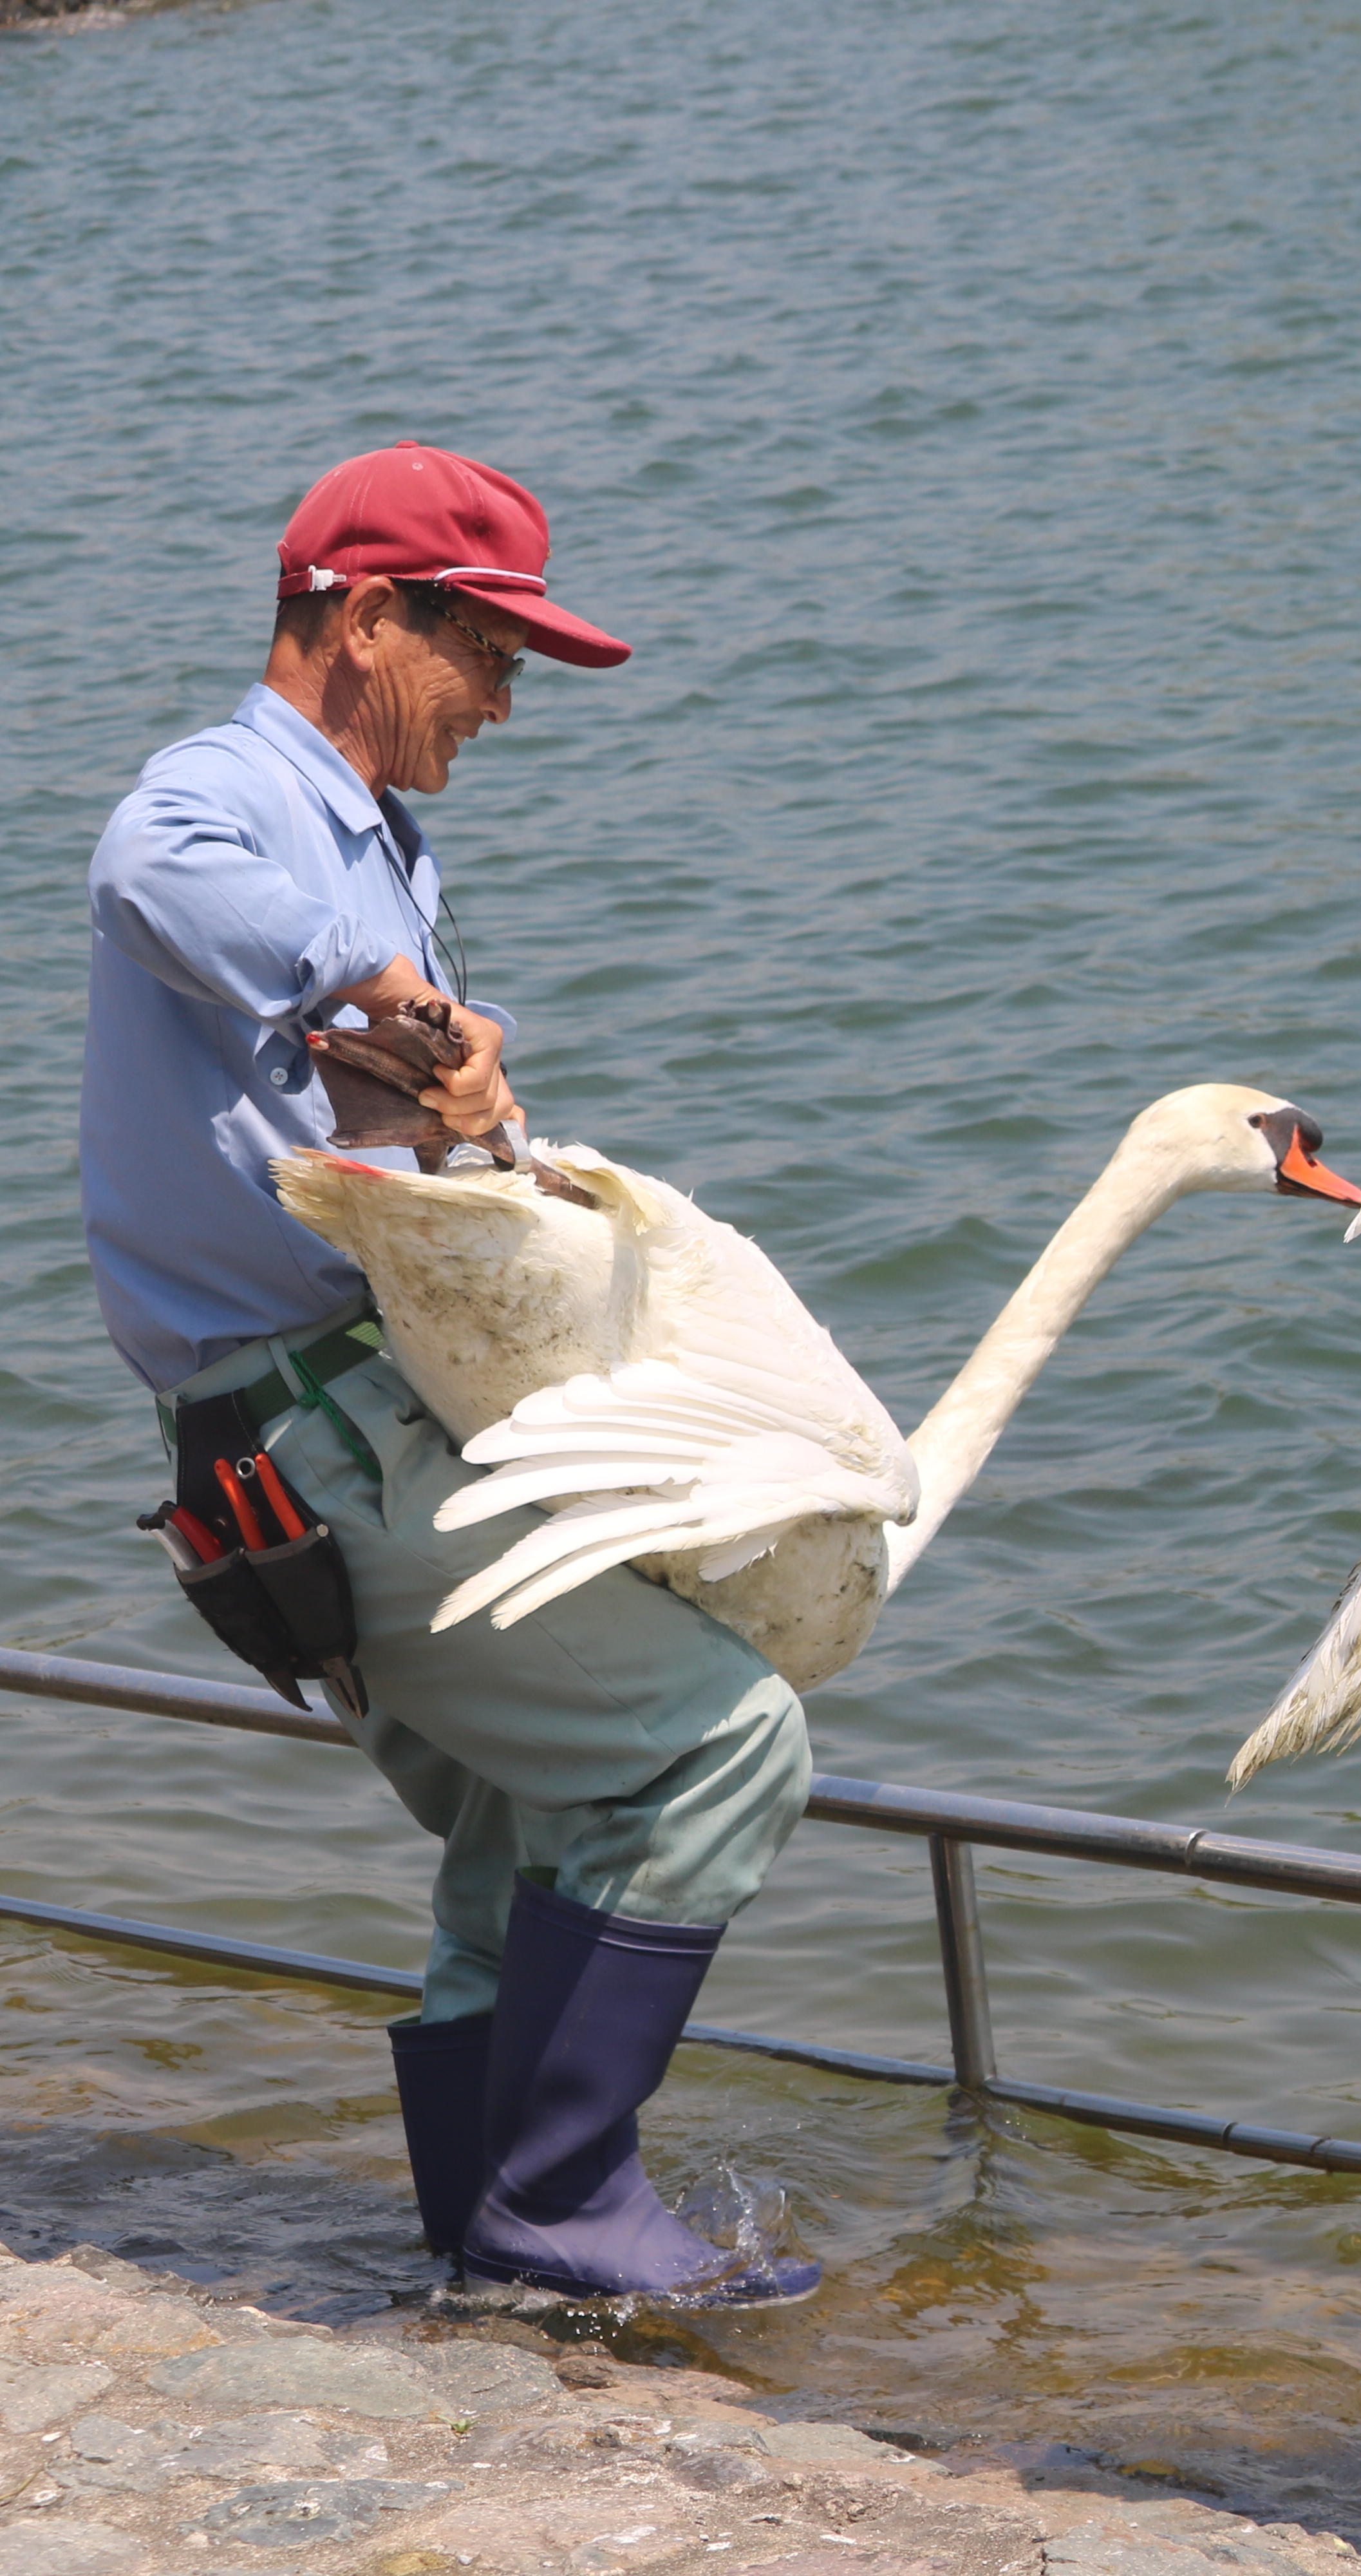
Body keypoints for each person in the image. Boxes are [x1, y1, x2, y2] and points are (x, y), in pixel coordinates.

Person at [77, 442, 818, 2309]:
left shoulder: (376, 826)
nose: (500, 703)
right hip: (313, 1423)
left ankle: (482, 2232)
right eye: (482, 655)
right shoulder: (225, 795)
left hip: (314, 1426)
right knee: (722, 1744)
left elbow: (379, 1104)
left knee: (534, 1811)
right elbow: (148, 867)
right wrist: (391, 994)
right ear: (364, 613)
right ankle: (561, 2208)